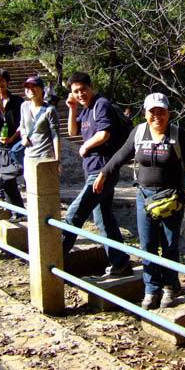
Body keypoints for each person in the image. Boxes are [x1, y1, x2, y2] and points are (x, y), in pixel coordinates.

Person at [94, 93, 185, 309]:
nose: (157, 116)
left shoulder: (177, 135)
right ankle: (151, 289)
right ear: (145, 113)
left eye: (161, 111)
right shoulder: (139, 132)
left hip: (171, 198)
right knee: (147, 244)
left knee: (169, 245)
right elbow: (121, 155)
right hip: (144, 197)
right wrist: (103, 173)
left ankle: (170, 286)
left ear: (169, 113)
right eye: (152, 111)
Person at [62, 72, 132, 276]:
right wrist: (72, 108)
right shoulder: (85, 109)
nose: (80, 94)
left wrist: (85, 146)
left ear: (90, 87)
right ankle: (120, 262)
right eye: (76, 91)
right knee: (103, 218)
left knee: (74, 214)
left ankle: (53, 258)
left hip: (103, 170)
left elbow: (104, 133)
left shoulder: (101, 105)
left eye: (83, 89)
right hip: (92, 169)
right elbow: (72, 132)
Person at [0, 68, 25, 213]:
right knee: (8, 183)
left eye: (2, 80)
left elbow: (23, 124)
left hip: (17, 144)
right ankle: (16, 211)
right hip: (1, 145)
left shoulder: (18, 101)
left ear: (7, 82)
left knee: (16, 170)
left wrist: (12, 138)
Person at [18, 76, 60, 165]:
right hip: (28, 155)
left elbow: (55, 135)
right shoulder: (24, 106)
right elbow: (22, 125)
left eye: (34, 86)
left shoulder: (50, 110)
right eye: (27, 87)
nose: (30, 89)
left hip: (45, 156)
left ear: (41, 89)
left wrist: (57, 160)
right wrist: (24, 136)